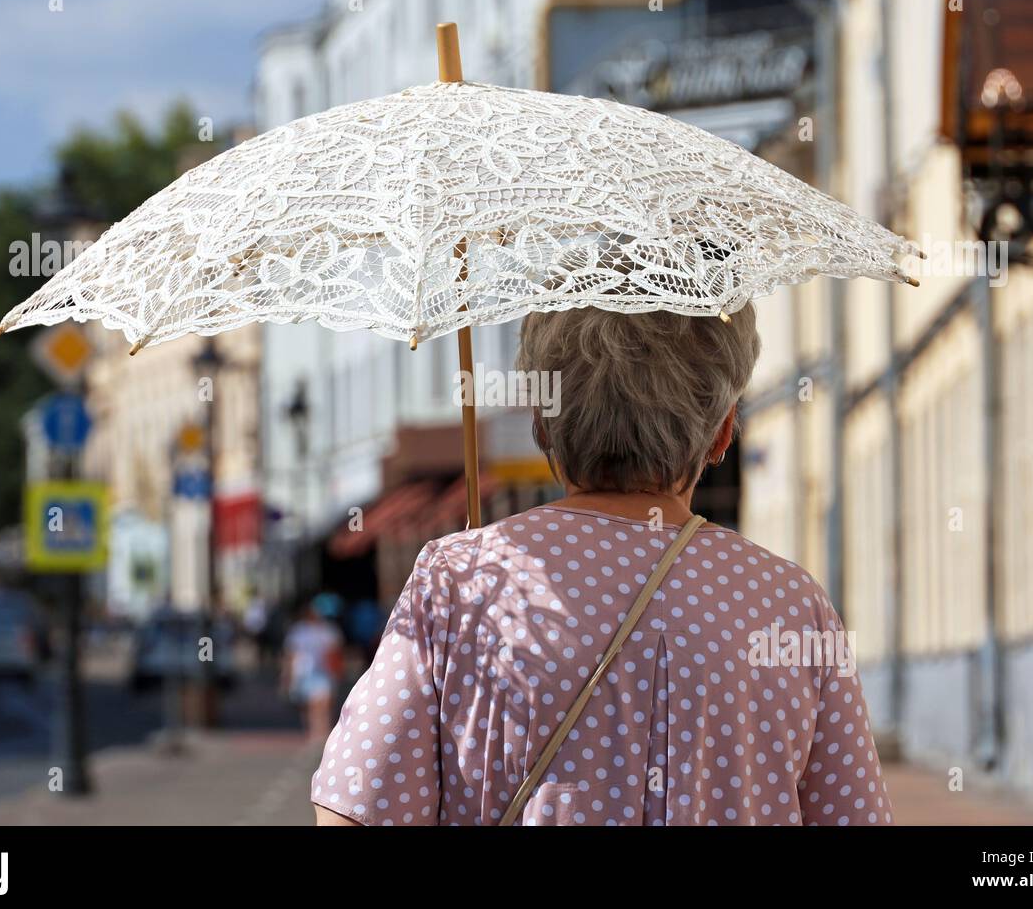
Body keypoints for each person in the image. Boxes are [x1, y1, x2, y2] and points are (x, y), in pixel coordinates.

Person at [311, 306, 892, 825]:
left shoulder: (460, 581)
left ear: (543, 424)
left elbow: (355, 809)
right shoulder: (792, 604)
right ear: (721, 435)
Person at [280, 597, 343, 740]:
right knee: (310, 704)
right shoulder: (298, 631)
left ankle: (321, 733)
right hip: (303, 673)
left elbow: (336, 653)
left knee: (322, 703)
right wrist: (287, 675)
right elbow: (290, 654)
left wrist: (337, 670)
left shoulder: (329, 630)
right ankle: (315, 731)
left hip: (324, 672)